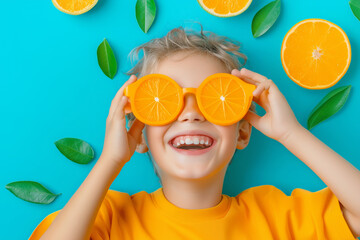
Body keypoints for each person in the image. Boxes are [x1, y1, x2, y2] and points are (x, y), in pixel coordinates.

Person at [29, 25, 360, 240]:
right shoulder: (108, 218)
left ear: (243, 132)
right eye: (166, 101)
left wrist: (291, 134)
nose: (190, 114)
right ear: (140, 131)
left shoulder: (277, 217)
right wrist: (111, 160)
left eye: (213, 101)